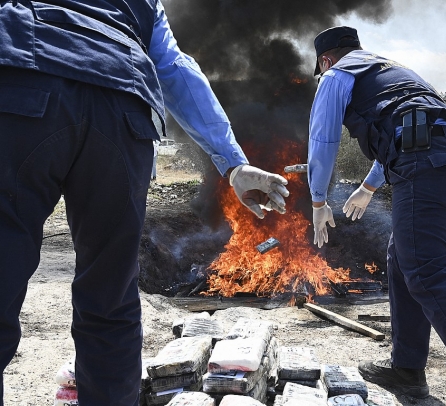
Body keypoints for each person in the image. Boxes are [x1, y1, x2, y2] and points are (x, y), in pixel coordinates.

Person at [0, 1, 289, 405]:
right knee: (111, 300)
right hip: (123, 112)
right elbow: (176, 69)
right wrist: (233, 163)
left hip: (25, 88)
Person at [307, 26, 446, 406]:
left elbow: (323, 138)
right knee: (402, 259)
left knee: (427, 271)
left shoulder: (336, 74)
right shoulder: (393, 71)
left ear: (326, 59)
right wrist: (368, 186)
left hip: (427, 170)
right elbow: (414, 128)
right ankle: (407, 370)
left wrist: (317, 201)